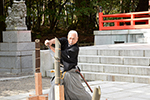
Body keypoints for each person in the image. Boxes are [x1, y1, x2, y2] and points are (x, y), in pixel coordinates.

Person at [45, 30, 92, 100]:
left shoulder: (74, 49)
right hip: (62, 71)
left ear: (77, 39)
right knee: (55, 84)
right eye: (70, 38)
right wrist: (50, 42)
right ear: (67, 37)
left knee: (77, 91)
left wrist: (50, 47)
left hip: (71, 72)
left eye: (73, 38)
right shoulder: (64, 41)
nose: (71, 40)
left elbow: (59, 53)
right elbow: (57, 41)